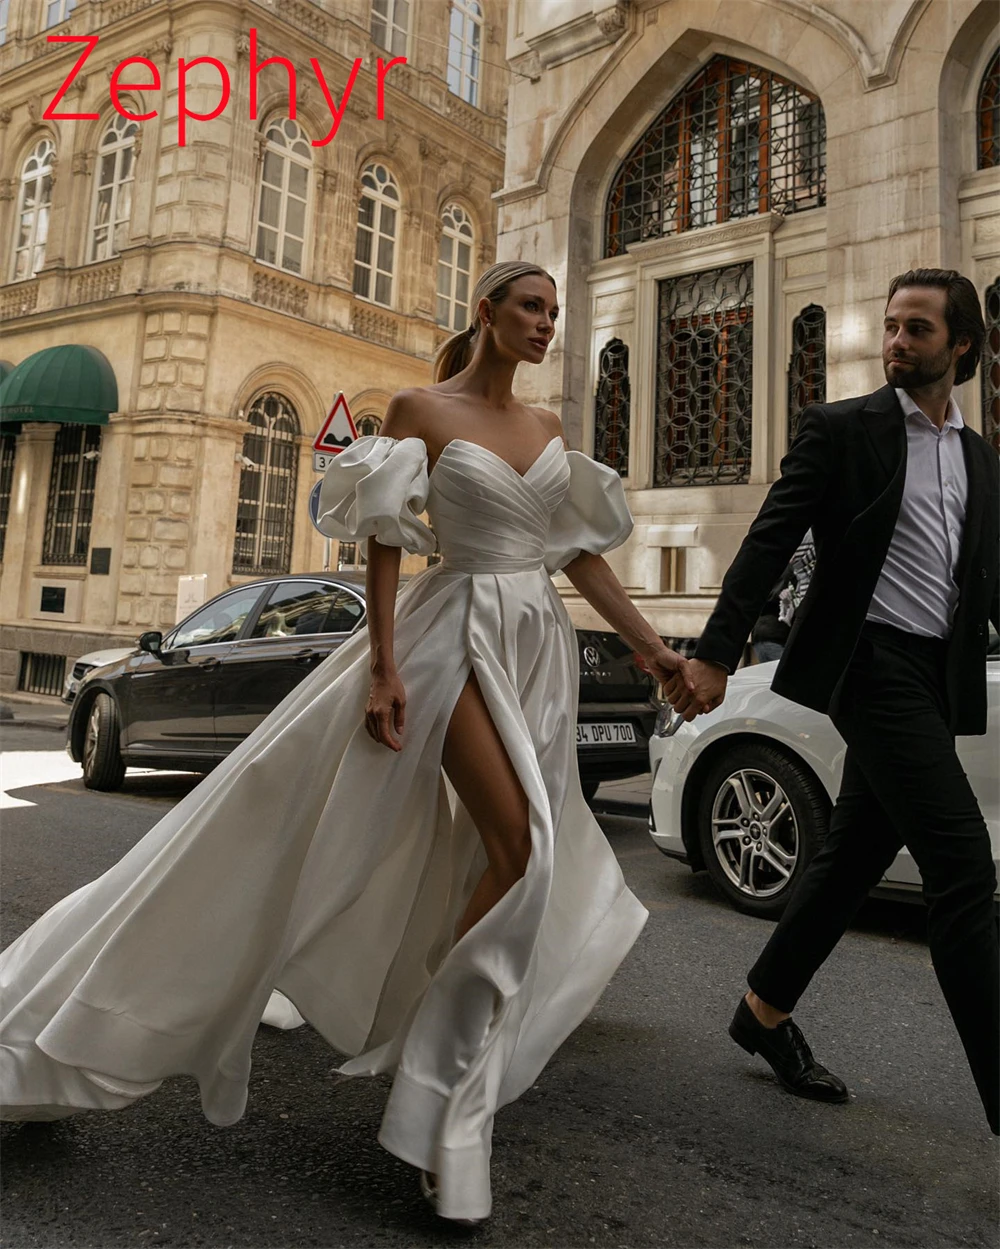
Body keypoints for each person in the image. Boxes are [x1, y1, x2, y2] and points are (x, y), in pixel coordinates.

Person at [0, 261, 692, 1224]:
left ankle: (436, 1055)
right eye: (530, 306)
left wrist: (656, 649)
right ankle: (443, 1101)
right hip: (450, 639)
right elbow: (386, 542)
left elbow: (577, 555)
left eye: (554, 312)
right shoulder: (419, 407)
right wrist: (380, 664)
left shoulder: (546, 431)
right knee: (520, 850)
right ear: (486, 311)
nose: (545, 323)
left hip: (538, 645)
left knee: (506, 860)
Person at [664, 268, 1000, 1135]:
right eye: (891, 325)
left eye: (917, 329)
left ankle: (763, 1011)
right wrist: (712, 652)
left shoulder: (977, 457)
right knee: (962, 867)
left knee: (852, 859)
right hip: (869, 665)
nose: (896, 341)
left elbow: (985, 582)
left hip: (935, 674)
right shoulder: (842, 430)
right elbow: (770, 538)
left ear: (960, 344)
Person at [750, 532, 816, 663]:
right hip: (773, 635)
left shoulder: (776, 567)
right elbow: (775, 595)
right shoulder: (790, 569)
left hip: (767, 635)